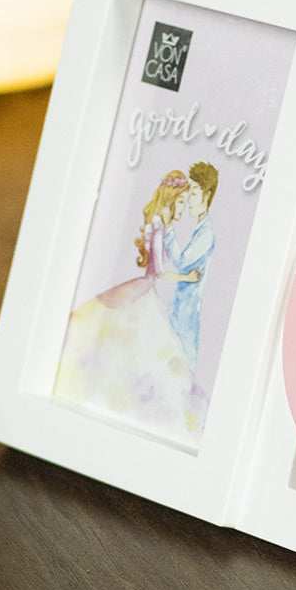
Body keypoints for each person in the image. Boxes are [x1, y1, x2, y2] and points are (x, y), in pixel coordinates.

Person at [54, 168, 206, 441]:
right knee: (137, 346)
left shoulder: (163, 227)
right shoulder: (158, 226)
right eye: (181, 201)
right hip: (144, 290)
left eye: (186, 201)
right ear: (171, 199)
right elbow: (157, 272)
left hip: (146, 290)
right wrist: (188, 277)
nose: (183, 208)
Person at [163, 161, 218, 369]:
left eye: (194, 193)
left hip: (187, 314)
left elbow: (182, 262)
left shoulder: (206, 234)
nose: (188, 201)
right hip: (180, 309)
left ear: (207, 195)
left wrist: (168, 230)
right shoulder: (200, 231)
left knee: (181, 366)